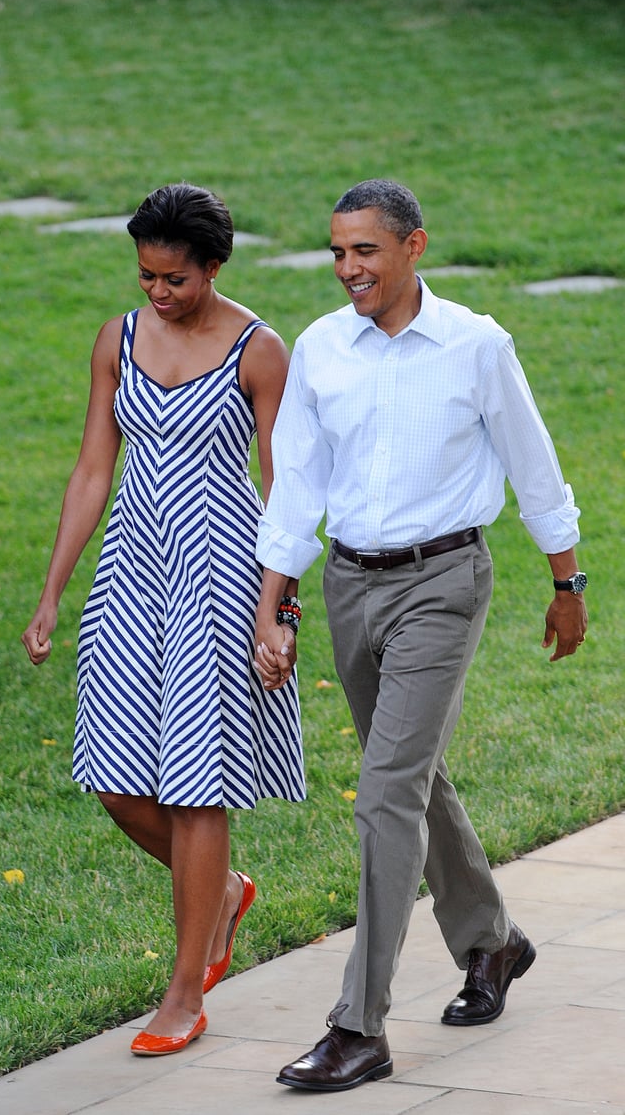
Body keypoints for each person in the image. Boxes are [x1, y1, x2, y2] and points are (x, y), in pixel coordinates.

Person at [254, 178, 588, 1091]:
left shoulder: (477, 346)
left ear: (413, 247)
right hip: (348, 586)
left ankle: (359, 1024)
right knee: (411, 773)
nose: (348, 268)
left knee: (384, 792)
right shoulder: (323, 349)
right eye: (336, 252)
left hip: (445, 580)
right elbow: (295, 487)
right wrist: (272, 607)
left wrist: (567, 583)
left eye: (364, 250)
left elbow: (535, 464)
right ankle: (492, 941)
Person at [22, 183, 304, 1057]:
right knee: (114, 777)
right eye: (145, 275)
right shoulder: (119, 338)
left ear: (213, 267)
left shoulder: (260, 353)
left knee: (195, 787)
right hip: (129, 577)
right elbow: (91, 470)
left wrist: (280, 610)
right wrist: (52, 591)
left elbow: (285, 492)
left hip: (222, 586)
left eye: (174, 278)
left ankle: (186, 992)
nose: (157, 292)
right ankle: (219, 895)